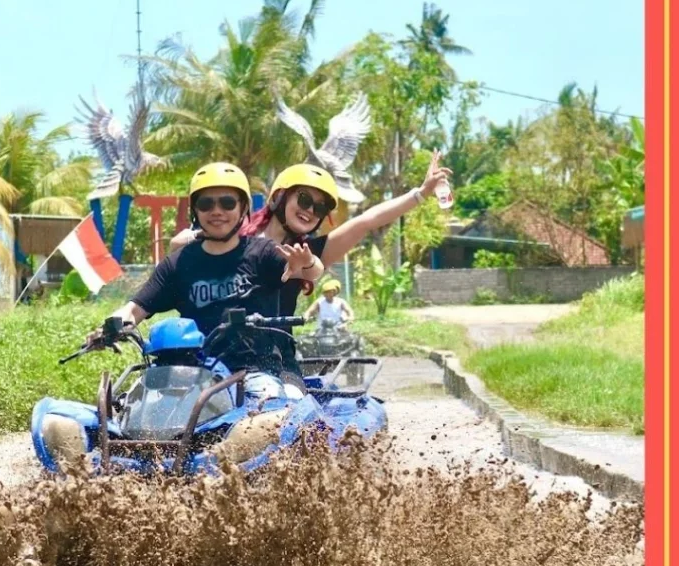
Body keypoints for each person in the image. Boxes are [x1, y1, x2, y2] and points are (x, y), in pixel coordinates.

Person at [87, 162, 324, 399]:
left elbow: (314, 272)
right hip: (193, 376)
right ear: (195, 211)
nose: (217, 211)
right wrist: (107, 328)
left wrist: (306, 264)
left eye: (227, 202)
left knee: (268, 419)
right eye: (206, 203)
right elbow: (135, 308)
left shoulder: (263, 253)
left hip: (255, 375)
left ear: (243, 208)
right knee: (130, 409)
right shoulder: (177, 264)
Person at [170, 151, 453, 316]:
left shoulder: (311, 255)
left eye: (319, 208)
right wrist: (199, 237)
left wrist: (421, 193)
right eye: (304, 200)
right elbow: (178, 249)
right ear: (279, 197)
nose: (310, 211)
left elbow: (367, 221)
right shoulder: (233, 235)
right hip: (208, 353)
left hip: (273, 359)